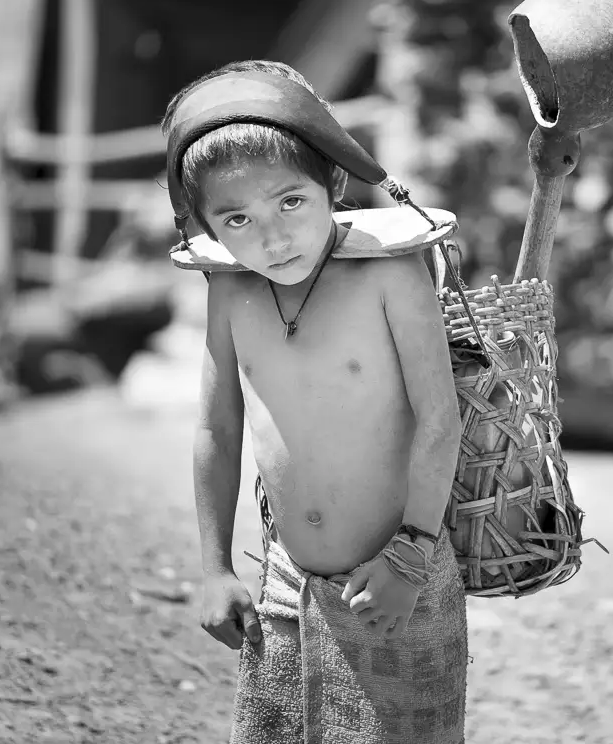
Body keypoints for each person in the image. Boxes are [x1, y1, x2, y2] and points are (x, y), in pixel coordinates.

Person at [162, 60, 468, 744]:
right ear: (203, 224)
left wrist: (412, 554)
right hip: (283, 586)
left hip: (397, 585)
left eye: (290, 202)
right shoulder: (230, 291)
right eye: (236, 219)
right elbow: (217, 428)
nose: (270, 238)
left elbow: (438, 420)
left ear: (333, 182)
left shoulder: (391, 274)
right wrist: (213, 569)